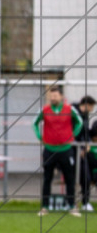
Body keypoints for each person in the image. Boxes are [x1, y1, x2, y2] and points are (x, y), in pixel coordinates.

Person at [34, 85, 83, 217]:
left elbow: (79, 122)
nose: (53, 97)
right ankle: (44, 207)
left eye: (55, 95)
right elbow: (35, 123)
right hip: (49, 150)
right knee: (47, 178)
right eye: (51, 95)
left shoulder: (69, 109)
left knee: (69, 178)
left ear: (61, 96)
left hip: (66, 150)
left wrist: (72, 136)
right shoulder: (44, 110)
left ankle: (72, 206)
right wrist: (40, 136)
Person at [73, 95, 95, 211]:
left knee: (86, 175)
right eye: (92, 107)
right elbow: (72, 133)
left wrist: (87, 143)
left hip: (82, 151)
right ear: (87, 105)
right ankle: (71, 203)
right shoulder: (73, 112)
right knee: (71, 178)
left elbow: (85, 133)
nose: (92, 110)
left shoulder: (85, 115)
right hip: (71, 150)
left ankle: (85, 202)